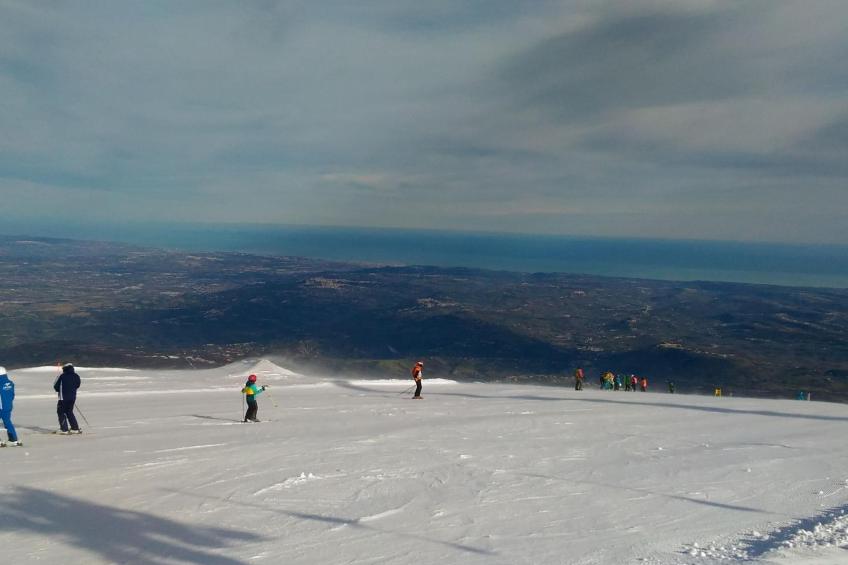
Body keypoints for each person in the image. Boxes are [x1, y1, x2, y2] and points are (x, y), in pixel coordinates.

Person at [54, 363, 81, 434]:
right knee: (69, 412)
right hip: (72, 397)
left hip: (63, 398)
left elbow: (55, 386)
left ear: (65, 369)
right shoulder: (76, 376)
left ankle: (64, 429)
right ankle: (75, 428)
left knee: (61, 412)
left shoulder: (61, 376)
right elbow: (77, 385)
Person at [0, 367, 21, 447]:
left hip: (1, 407)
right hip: (8, 406)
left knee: (7, 422)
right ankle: (13, 439)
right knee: (8, 422)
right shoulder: (10, 383)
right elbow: (12, 395)